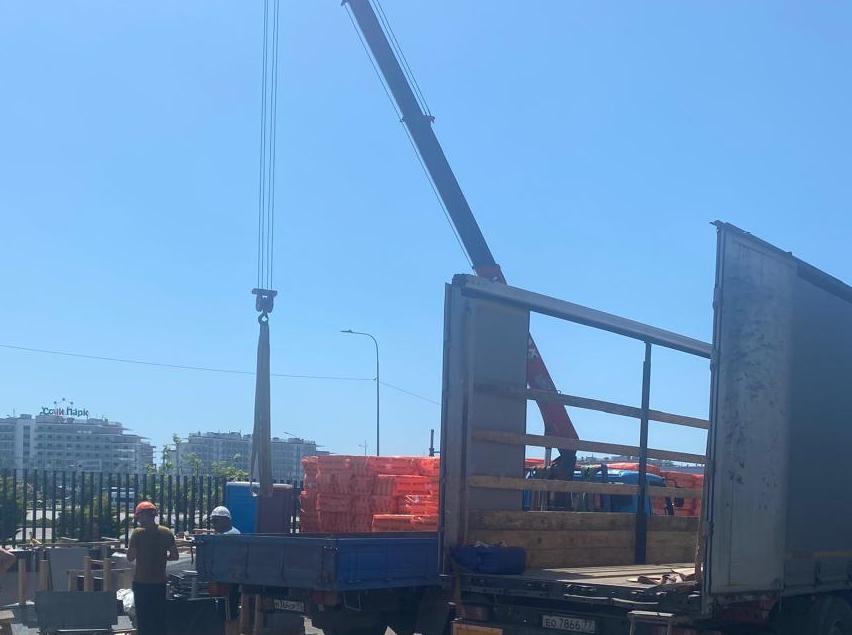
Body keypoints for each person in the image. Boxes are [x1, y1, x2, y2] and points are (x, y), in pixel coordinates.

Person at [127, 501, 179, 635]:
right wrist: (162, 557)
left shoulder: (137, 533)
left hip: (142, 583)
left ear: (143, 515)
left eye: (138, 516)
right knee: (159, 619)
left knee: (144, 620)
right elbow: (175, 556)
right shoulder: (166, 532)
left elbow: (130, 557)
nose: (138, 519)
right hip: (159, 583)